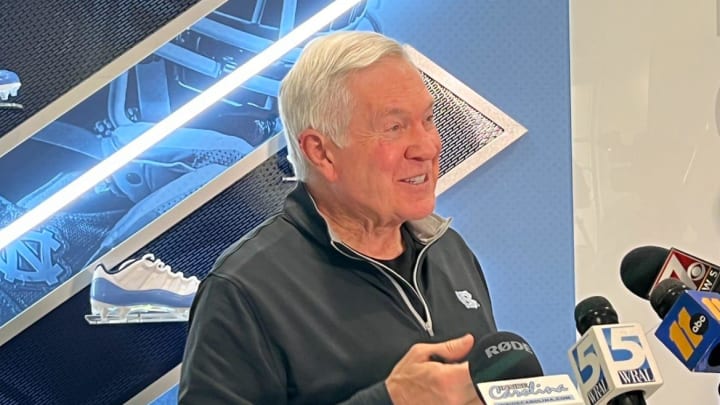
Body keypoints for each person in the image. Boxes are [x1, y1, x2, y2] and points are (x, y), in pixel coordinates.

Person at [179, 31, 497, 404]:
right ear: (321, 152)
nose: (427, 147)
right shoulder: (243, 288)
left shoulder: (449, 251)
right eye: (394, 127)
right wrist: (388, 400)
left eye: (427, 120)